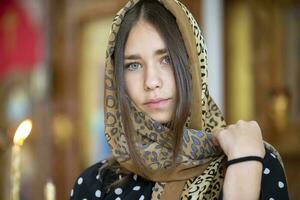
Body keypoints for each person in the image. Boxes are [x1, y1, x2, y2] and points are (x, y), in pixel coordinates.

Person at [70, 0, 289, 199]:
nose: (151, 81)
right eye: (133, 65)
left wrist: (243, 167)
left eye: (166, 59)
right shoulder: (95, 185)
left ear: (193, 63)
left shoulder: (253, 159)